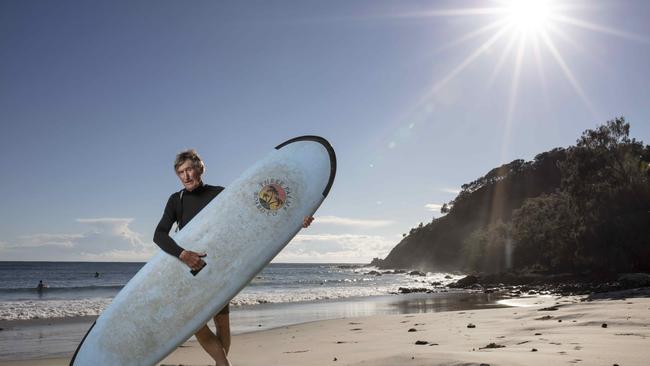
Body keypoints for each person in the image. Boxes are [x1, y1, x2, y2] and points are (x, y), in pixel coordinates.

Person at [153, 149, 313, 366]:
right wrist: (183, 254)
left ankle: (221, 364)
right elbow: (159, 234)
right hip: (190, 269)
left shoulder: (221, 194)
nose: (186, 176)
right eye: (181, 172)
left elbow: (258, 214)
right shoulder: (176, 200)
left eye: (189, 169)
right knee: (194, 322)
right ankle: (223, 363)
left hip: (220, 266)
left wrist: (297, 220)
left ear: (200, 168)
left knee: (222, 325)